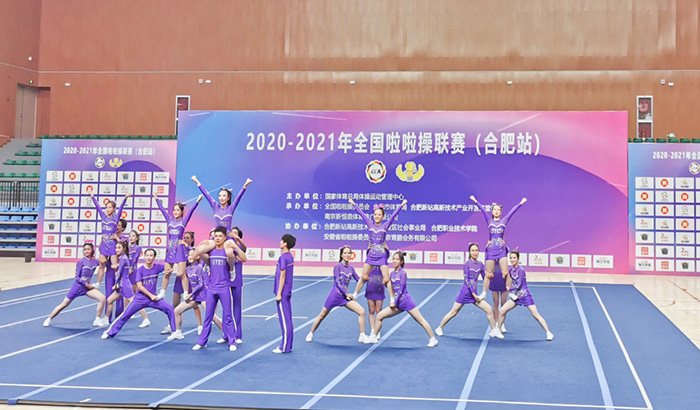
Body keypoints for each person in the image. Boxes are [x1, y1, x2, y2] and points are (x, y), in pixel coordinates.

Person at [102, 249, 176, 339]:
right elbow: (139, 286)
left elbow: (169, 267)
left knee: (170, 309)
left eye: (151, 256)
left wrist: (170, 270)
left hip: (153, 299)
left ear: (154, 258)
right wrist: (151, 295)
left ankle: (174, 331)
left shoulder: (157, 267)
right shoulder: (140, 270)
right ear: (144, 257)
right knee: (125, 315)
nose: (149, 258)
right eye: (147, 255)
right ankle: (109, 332)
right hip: (140, 299)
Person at [368, 251, 438, 347]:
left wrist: (394, 302)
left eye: (397, 259)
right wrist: (385, 285)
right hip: (397, 304)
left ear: (401, 261)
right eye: (393, 259)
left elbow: (401, 289)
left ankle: (433, 339)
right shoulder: (392, 274)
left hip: (406, 301)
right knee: (380, 316)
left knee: (420, 320)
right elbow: (392, 289)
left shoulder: (403, 273)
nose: (395, 261)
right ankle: (374, 337)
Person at [435, 243, 503, 339]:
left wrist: (492, 278)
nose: (475, 252)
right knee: (453, 312)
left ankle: (494, 330)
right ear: (469, 252)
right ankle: (439, 328)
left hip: (475, 294)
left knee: (488, 309)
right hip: (465, 293)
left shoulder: (480, 264)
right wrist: (473, 293)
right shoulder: (467, 264)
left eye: (476, 250)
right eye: (473, 251)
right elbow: (467, 280)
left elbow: (485, 278)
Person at [469, 195, 526, 304]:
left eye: (498, 210)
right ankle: (484, 293)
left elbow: (512, 212)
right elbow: (482, 210)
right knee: (488, 273)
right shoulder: (489, 220)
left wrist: (521, 203)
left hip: (501, 251)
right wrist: (475, 201)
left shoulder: (504, 221)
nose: (496, 211)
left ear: (500, 212)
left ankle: (510, 292)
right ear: (492, 211)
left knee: (505, 272)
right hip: (491, 251)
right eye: (494, 209)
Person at [348, 199, 408, 302]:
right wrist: (354, 204)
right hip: (371, 255)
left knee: (386, 278)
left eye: (379, 215)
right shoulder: (370, 224)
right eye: (375, 214)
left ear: (383, 216)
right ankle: (355, 294)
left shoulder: (385, 226)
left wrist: (401, 205)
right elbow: (362, 214)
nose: (377, 216)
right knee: (363, 276)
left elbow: (393, 216)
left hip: (381, 256)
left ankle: (392, 299)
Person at [306, 245, 367, 343]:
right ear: (341, 255)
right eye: (345, 253)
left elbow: (358, 280)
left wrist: (365, 279)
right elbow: (338, 283)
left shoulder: (351, 268)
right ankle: (311, 333)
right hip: (334, 296)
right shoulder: (337, 267)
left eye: (349, 253)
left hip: (345, 298)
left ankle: (362, 335)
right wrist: (346, 294)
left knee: (362, 311)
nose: (347, 255)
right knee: (322, 316)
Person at [192, 227, 239, 352]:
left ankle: (232, 341)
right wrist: (203, 244)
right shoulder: (210, 251)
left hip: (224, 288)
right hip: (212, 289)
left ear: (224, 238)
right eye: (215, 236)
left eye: (220, 236)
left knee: (228, 316)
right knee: (208, 316)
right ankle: (202, 342)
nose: (217, 238)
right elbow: (198, 254)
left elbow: (235, 260)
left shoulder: (227, 251)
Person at [44, 243, 107, 327]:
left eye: (88, 249)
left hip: (87, 289)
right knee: (64, 304)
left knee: (102, 298)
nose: (86, 251)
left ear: (92, 250)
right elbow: (77, 277)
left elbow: (104, 264)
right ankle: (49, 319)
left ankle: (97, 319)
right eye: (85, 249)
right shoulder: (81, 262)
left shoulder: (95, 262)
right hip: (77, 287)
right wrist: (86, 284)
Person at [154, 193, 202, 302]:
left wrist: (197, 201)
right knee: (167, 273)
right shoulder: (169, 219)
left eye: (178, 210)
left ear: (181, 212)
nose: (175, 212)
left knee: (182, 273)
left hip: (180, 250)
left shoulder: (183, 221)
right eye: (174, 210)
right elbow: (162, 209)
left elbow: (191, 211)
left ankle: (185, 293)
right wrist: (156, 198)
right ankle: (162, 292)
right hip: (170, 249)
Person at [498, 250, 554, 341]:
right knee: (502, 311)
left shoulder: (521, 270)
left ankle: (548, 332)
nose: (512, 260)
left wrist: (509, 289)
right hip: (516, 297)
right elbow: (508, 281)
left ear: (518, 259)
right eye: (511, 258)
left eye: (514, 258)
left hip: (525, 296)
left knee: (536, 315)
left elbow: (519, 284)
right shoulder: (511, 271)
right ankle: (497, 330)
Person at [89, 191, 130, 286]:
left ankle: (117, 283)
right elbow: (98, 207)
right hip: (104, 243)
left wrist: (125, 198)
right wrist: (92, 196)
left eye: (110, 207)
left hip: (112, 244)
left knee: (114, 266)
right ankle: (98, 283)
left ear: (114, 209)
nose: (108, 209)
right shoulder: (103, 216)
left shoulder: (115, 218)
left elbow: (121, 208)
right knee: (102, 263)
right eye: (106, 207)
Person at [168, 248, 208, 340]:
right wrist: (172, 271)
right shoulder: (188, 268)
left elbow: (201, 284)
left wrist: (191, 294)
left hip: (203, 295)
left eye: (192, 255)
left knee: (212, 316)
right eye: (189, 255)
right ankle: (178, 332)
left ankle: (227, 333)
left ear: (197, 257)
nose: (190, 257)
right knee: (176, 311)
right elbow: (183, 276)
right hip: (195, 296)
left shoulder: (199, 268)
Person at [273, 233, 295, 353]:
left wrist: (279, 293)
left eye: (282, 240)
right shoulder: (290, 256)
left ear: (285, 243)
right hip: (288, 290)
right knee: (288, 319)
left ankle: (284, 346)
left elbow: (282, 275)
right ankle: (288, 345)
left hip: (283, 292)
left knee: (285, 321)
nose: (280, 242)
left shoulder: (283, 258)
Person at [103, 241, 135, 321]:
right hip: (121, 285)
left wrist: (115, 284)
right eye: (116, 248)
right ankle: (106, 319)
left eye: (119, 248)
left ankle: (145, 318)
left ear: (124, 249)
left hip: (124, 284)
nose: (117, 249)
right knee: (109, 300)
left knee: (134, 302)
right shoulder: (122, 258)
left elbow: (119, 272)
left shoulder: (123, 258)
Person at [127, 230, 150, 328]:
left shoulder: (138, 248)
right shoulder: (126, 246)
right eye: (130, 236)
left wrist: (131, 268)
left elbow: (135, 258)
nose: (131, 238)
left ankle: (144, 317)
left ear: (137, 238)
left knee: (133, 292)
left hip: (133, 271)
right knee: (126, 293)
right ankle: (127, 311)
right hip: (125, 270)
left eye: (133, 236)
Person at [364, 266, 385, 339]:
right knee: (371, 311)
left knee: (379, 311)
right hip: (370, 289)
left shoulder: (382, 264)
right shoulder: (369, 264)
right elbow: (364, 274)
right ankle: (372, 330)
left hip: (379, 289)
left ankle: (377, 330)